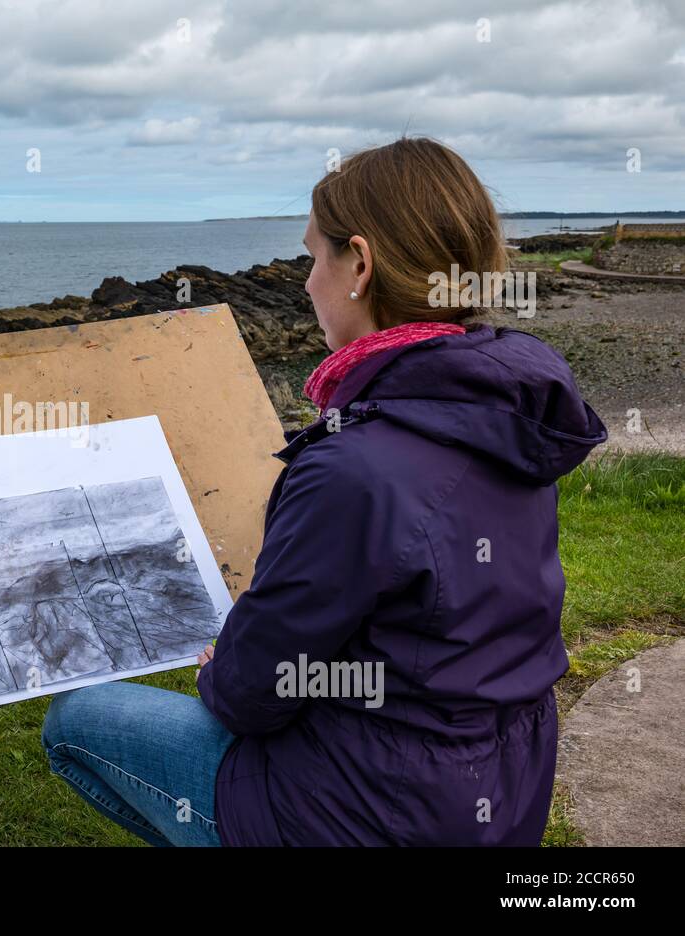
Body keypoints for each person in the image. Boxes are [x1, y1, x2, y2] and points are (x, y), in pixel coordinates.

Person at [41, 137, 608, 846]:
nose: (307, 282)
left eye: (315, 257)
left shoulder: (353, 468)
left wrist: (228, 666)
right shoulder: (509, 419)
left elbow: (250, 694)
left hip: (373, 814)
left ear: (360, 266)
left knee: (74, 721)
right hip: (498, 788)